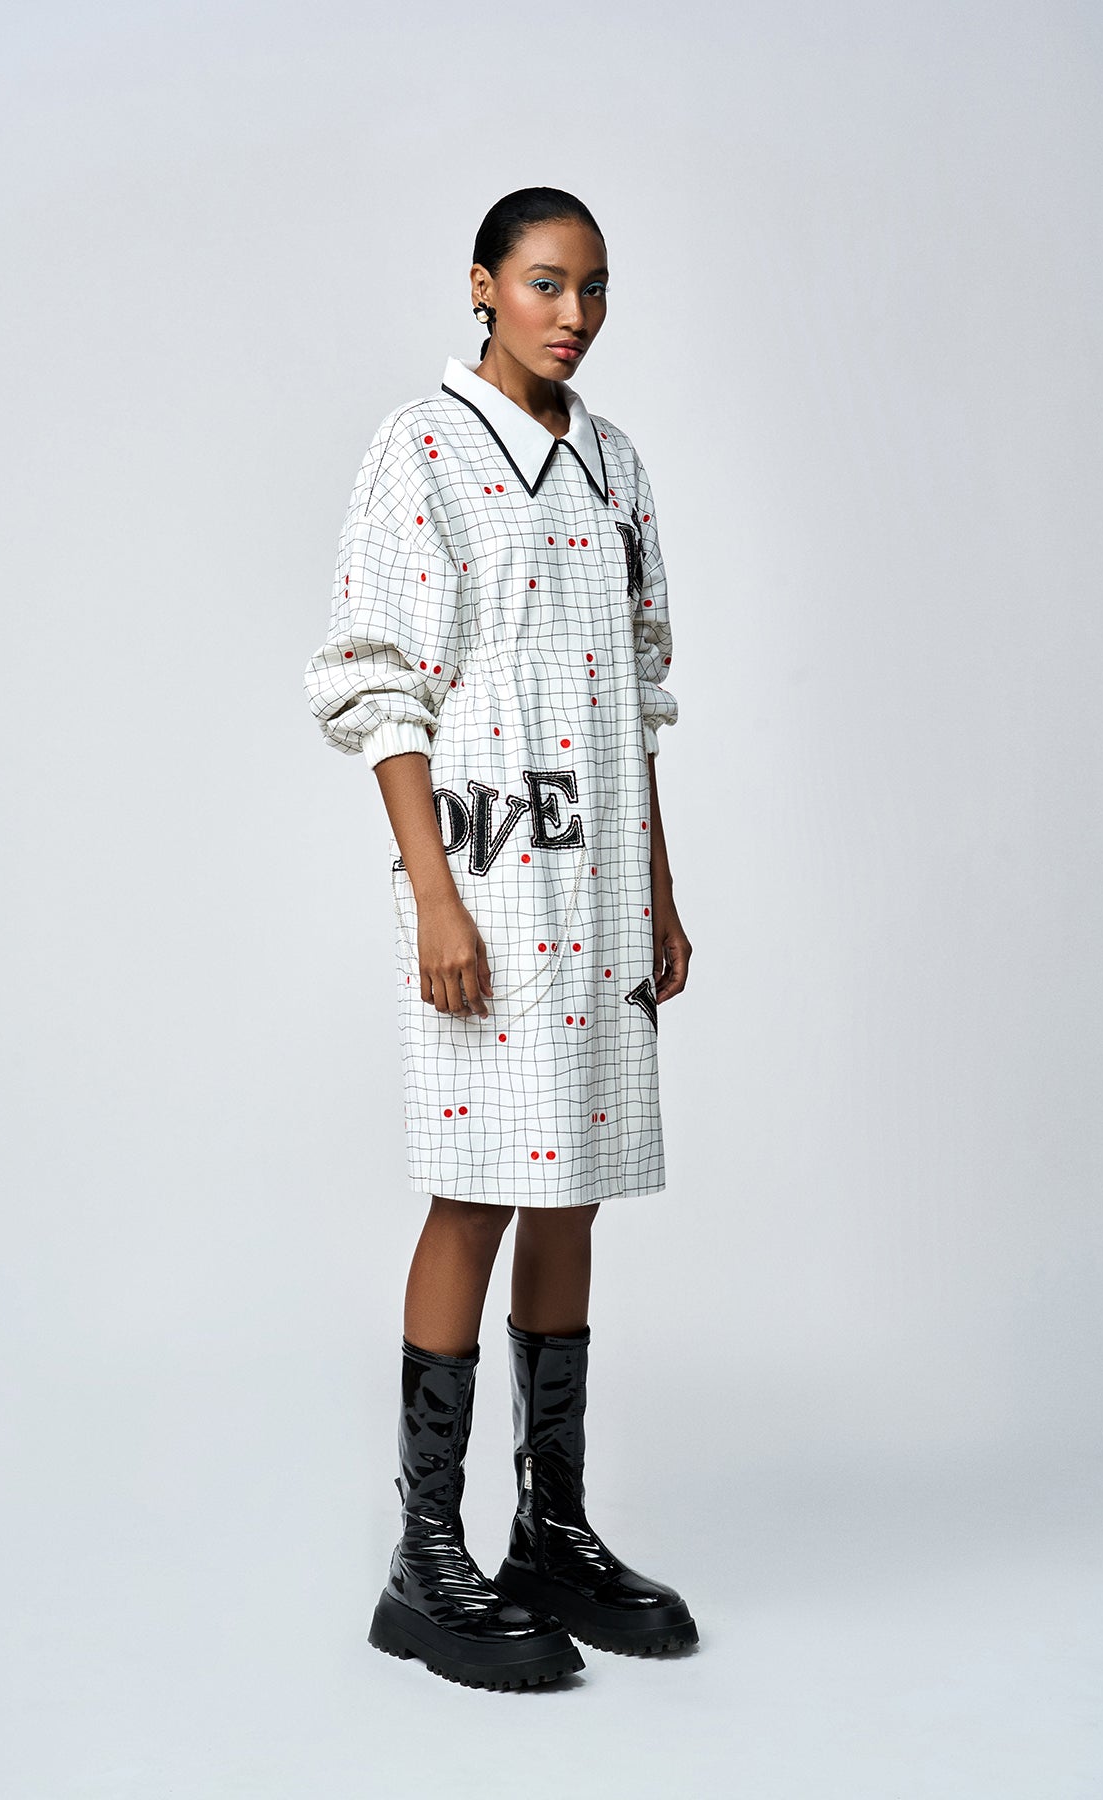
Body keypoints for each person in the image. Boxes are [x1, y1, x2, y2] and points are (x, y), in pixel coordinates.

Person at [304, 187, 697, 1689]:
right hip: (487, 870)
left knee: (573, 1187)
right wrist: (434, 895)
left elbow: (638, 695)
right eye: (543, 282)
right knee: (476, 1186)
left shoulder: (616, 462)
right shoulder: (421, 448)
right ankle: (426, 1556)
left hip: (599, 887)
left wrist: (658, 884)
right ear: (482, 285)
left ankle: (553, 1530)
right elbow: (380, 683)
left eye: (593, 286)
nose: (573, 313)